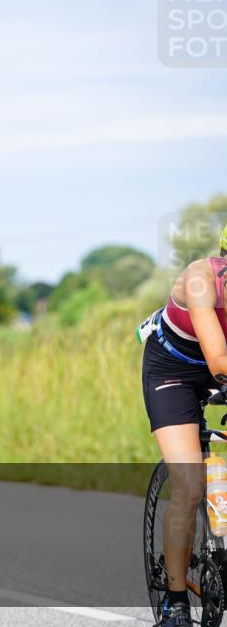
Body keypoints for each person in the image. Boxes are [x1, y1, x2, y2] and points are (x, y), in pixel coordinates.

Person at [140, 225, 227, 626]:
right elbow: (220, 364)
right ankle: (175, 603)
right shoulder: (199, 281)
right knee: (190, 485)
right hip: (173, 372)